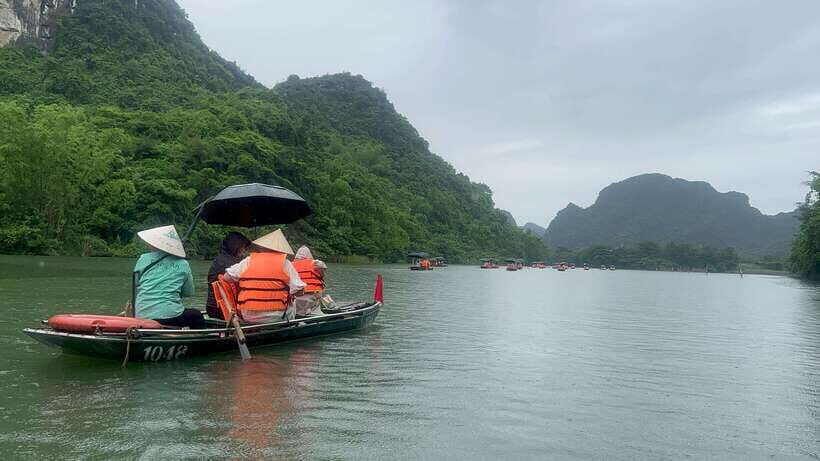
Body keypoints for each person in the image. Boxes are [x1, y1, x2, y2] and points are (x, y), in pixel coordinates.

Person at [224, 229, 305, 323]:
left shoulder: (248, 260)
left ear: (262, 248)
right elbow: (299, 290)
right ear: (281, 250)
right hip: (277, 317)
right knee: (293, 301)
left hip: (248, 316)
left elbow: (226, 277)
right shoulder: (285, 263)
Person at [133, 225, 205, 329]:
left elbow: (136, 284)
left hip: (141, 314)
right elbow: (188, 292)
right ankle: (199, 339)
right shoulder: (183, 263)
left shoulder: (143, 258)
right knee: (196, 315)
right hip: (170, 315)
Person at [205, 232, 251, 319]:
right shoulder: (239, 262)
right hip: (226, 309)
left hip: (211, 308)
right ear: (236, 246)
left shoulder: (218, 259)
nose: (244, 250)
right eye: (243, 247)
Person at [291, 246, 328, 317]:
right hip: (311, 298)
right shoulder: (315, 263)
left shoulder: (291, 264)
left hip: (295, 299)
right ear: (309, 254)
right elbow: (323, 268)